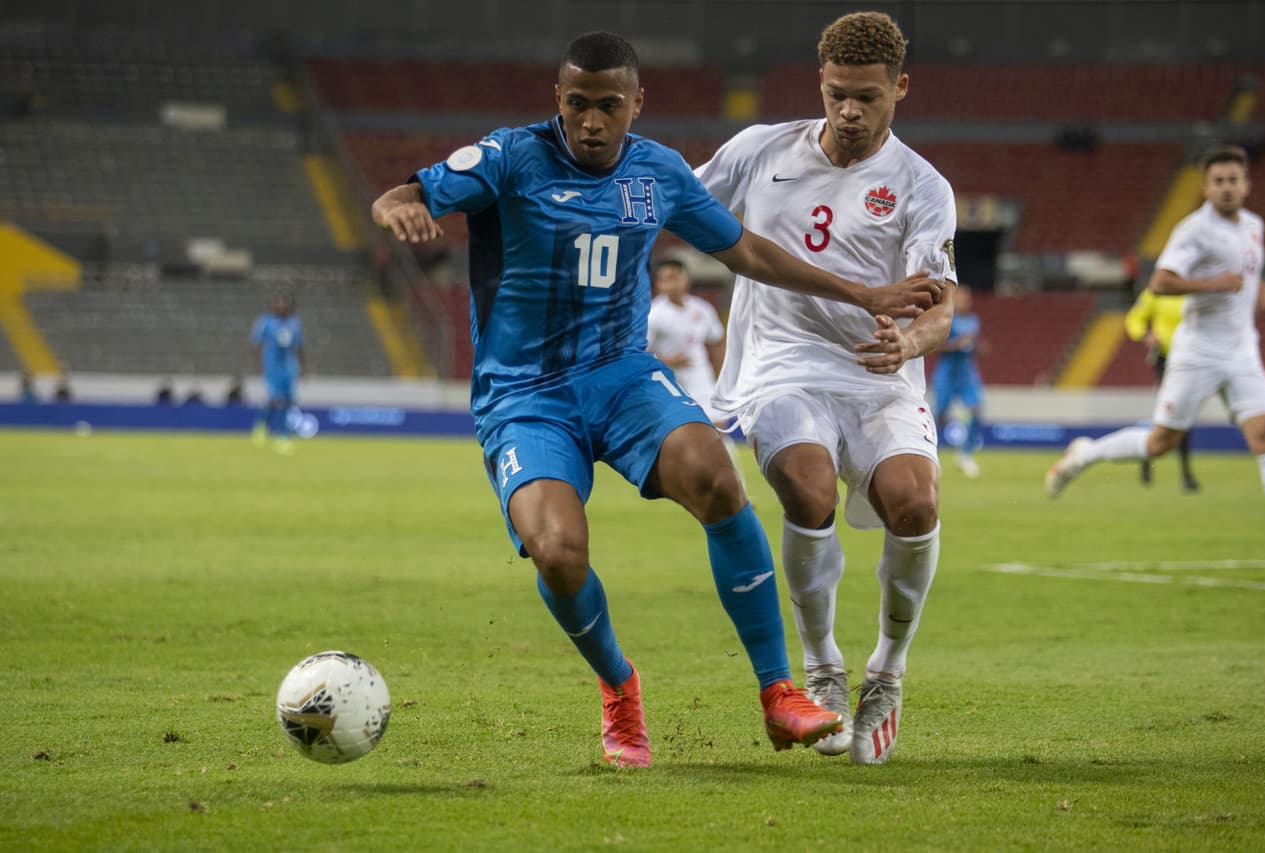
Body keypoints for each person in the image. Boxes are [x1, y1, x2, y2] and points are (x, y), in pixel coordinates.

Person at [371, 31, 942, 768]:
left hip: (623, 376)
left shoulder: (659, 172)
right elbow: (407, 190)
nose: (591, 121)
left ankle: (779, 691)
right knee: (557, 552)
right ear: (559, 100)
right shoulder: (510, 158)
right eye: (577, 104)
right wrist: (398, 207)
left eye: (609, 105)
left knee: (716, 474)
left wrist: (862, 292)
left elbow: (745, 250)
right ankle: (619, 684)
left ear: (638, 104)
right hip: (525, 396)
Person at [695, 11, 957, 765]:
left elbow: (940, 305)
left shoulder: (922, 186)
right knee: (807, 489)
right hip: (782, 361)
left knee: (916, 502)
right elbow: (683, 201)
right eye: (838, 93)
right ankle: (823, 668)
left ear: (900, 88)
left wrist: (909, 340)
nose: (849, 110)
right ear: (820, 82)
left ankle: (888, 670)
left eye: (867, 97)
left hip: (878, 371)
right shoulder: (758, 150)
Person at [1047, 145, 1265, 522]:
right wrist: (1213, 284)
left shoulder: (1254, 226)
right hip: (1198, 352)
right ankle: (1085, 454)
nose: (1226, 188)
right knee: (1160, 444)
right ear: (1205, 188)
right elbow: (1160, 281)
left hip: (1242, 351)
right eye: (1218, 181)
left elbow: (1246, 276)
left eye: (1232, 180)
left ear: (1247, 185)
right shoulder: (1195, 230)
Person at [645, 257, 743, 472]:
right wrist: (667, 360)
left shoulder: (702, 309)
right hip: (668, 382)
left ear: (686, 279)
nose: (672, 283)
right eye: (666, 279)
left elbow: (717, 342)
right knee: (677, 436)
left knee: (719, 430)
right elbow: (640, 352)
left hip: (700, 378)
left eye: (676, 277)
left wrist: (720, 377)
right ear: (658, 284)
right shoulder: (653, 314)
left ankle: (737, 489)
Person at [1123, 287, 1199, 491]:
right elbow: (1134, 319)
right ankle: (1156, 461)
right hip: (1165, 360)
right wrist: (1145, 336)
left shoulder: (1196, 289)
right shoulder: (1156, 291)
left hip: (1192, 359)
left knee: (1183, 413)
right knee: (1169, 412)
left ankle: (1183, 473)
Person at [931, 284, 985, 478]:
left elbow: (976, 346)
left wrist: (977, 346)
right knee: (940, 416)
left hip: (967, 374)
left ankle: (966, 455)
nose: (962, 302)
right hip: (947, 374)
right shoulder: (946, 320)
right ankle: (931, 456)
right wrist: (956, 344)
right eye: (959, 299)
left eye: (965, 299)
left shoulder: (974, 320)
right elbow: (935, 346)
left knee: (976, 410)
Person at [250, 292, 306, 454]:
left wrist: (304, 367)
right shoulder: (266, 322)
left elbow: (299, 346)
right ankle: (265, 428)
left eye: (283, 303)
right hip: (272, 368)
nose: (280, 306)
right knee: (275, 400)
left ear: (289, 307)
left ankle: (282, 435)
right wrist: (258, 364)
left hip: (289, 369)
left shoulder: (295, 324)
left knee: (288, 402)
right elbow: (256, 343)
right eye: (278, 303)